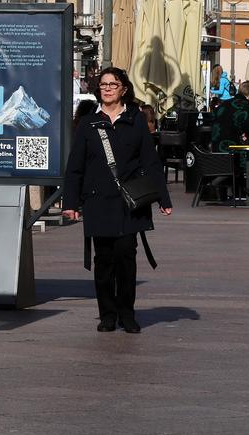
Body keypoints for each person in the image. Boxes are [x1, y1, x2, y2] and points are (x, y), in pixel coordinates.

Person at [61, 67, 173, 335]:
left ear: (124, 89)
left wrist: (163, 198)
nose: (107, 89)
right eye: (103, 85)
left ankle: (127, 313)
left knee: (126, 256)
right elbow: (75, 167)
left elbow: (150, 161)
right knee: (104, 260)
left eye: (113, 84)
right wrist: (70, 203)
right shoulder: (89, 123)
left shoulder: (134, 120)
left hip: (128, 202)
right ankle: (107, 315)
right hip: (98, 201)